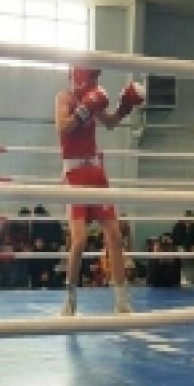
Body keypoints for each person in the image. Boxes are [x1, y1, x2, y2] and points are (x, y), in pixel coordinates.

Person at [55, 66, 145, 315]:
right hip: (74, 174)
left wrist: (125, 108)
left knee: (115, 235)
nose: (95, 80)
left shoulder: (95, 96)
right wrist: (84, 110)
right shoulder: (64, 97)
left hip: (95, 172)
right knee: (80, 240)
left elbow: (111, 122)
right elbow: (62, 127)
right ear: (80, 75)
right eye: (93, 76)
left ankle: (121, 300)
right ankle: (70, 299)